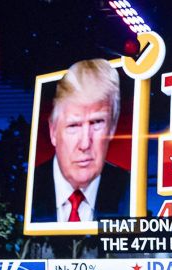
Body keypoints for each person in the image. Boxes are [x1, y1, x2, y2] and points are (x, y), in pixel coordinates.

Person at [27, 58, 130, 224]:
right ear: (53, 131)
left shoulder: (131, 189)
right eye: (73, 125)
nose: (85, 144)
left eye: (96, 123)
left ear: (112, 127)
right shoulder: (24, 187)